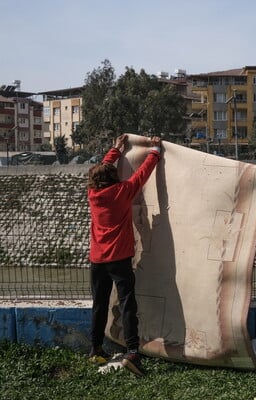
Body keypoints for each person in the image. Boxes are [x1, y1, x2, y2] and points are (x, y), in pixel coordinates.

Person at [87, 134, 162, 377]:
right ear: (114, 178)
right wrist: (155, 151)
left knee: (99, 304)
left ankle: (95, 349)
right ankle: (132, 351)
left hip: (97, 260)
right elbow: (142, 175)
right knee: (128, 303)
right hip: (119, 259)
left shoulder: (92, 194)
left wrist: (115, 150)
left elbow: (103, 170)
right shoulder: (122, 191)